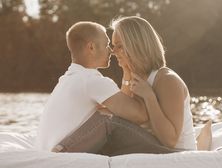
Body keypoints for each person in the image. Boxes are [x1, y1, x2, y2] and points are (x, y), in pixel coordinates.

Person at [35, 21, 175, 155]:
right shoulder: (92, 81)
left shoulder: (69, 79)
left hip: (49, 149)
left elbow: (121, 108)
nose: (112, 51)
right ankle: (171, 155)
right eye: (107, 44)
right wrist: (148, 94)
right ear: (91, 47)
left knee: (107, 115)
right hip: (64, 152)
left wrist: (126, 74)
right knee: (106, 118)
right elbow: (139, 116)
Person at [111, 16, 197, 150]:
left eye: (119, 46)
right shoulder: (135, 78)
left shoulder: (167, 80)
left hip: (177, 157)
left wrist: (150, 97)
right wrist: (126, 72)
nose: (113, 51)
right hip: (152, 152)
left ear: (136, 45)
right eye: (113, 46)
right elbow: (124, 118)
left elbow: (170, 141)